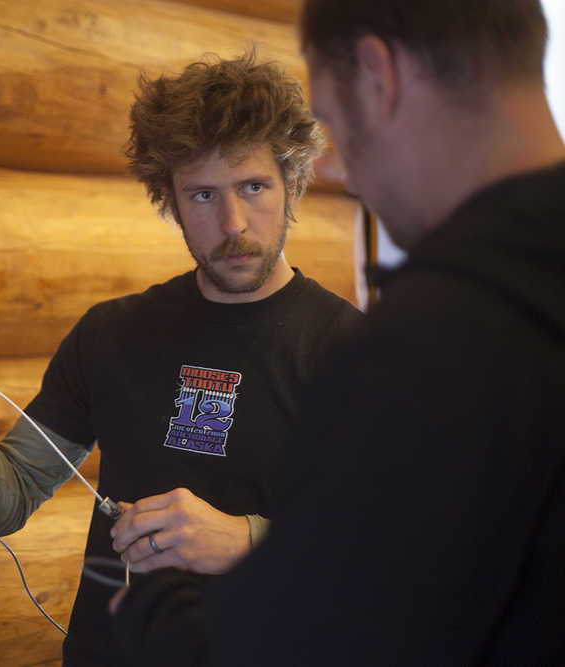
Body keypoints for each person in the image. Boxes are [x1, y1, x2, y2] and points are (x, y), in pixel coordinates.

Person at [111, 1, 565, 665]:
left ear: (380, 77)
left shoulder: (423, 353)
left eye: (332, 117)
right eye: (203, 193)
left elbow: (321, 634)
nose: (344, 171)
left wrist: (155, 616)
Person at [0, 52, 361, 666]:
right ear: (170, 201)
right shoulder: (112, 334)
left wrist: (246, 540)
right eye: (204, 194)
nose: (233, 223)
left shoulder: (356, 351)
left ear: (292, 185)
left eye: (254, 187)